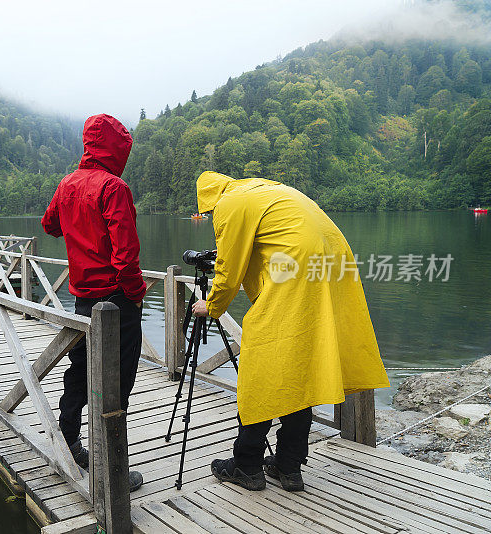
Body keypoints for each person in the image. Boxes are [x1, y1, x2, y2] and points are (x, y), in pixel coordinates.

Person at [191, 171, 389, 492]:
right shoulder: (268, 192)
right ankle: (288, 467)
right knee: (299, 370)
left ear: (211, 200)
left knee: (261, 373)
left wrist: (211, 306)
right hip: (327, 266)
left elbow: (229, 268)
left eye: (209, 213)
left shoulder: (230, 202)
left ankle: (247, 465)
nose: (213, 217)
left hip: (295, 274)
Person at [41, 113, 146, 491]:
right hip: (117, 302)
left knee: (81, 373)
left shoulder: (68, 184)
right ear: (117, 149)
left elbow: (49, 225)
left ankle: (69, 442)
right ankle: (111, 470)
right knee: (117, 385)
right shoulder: (113, 187)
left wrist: (74, 219)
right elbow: (126, 256)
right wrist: (135, 294)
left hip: (83, 300)